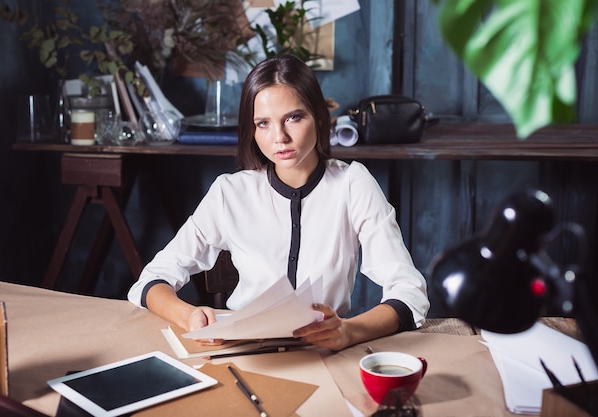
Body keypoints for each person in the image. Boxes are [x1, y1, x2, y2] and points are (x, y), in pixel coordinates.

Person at [128, 54, 429, 351]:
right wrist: (190, 315)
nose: (280, 137)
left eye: (293, 118)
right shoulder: (230, 193)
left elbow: (409, 292)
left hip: (327, 353)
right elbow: (152, 280)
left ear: (320, 117)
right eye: (263, 124)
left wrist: (348, 332)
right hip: (241, 351)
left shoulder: (353, 185)